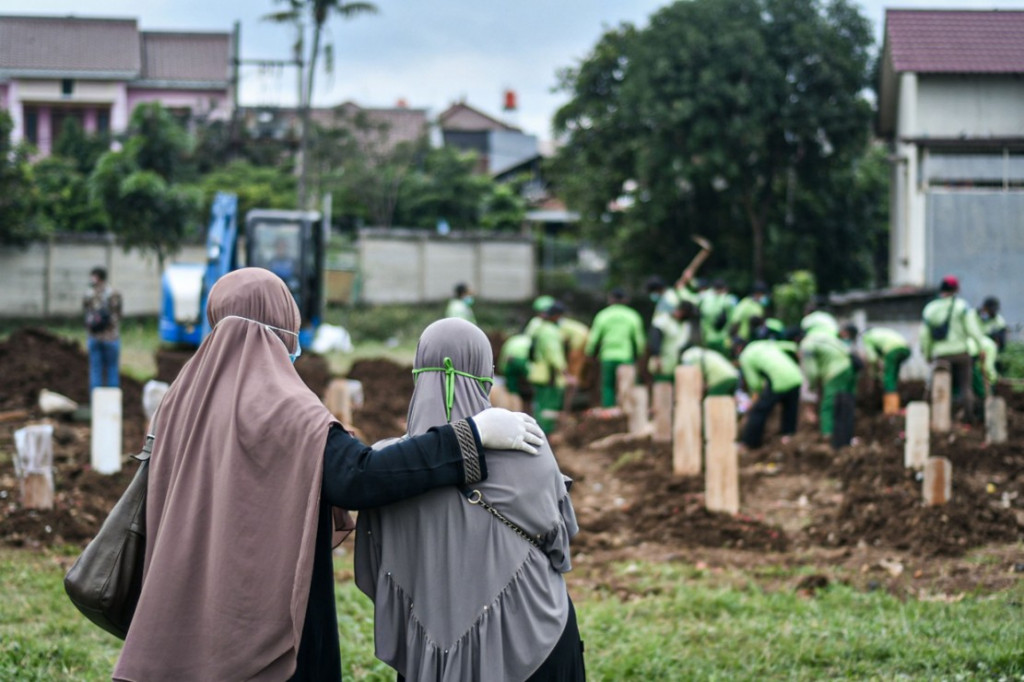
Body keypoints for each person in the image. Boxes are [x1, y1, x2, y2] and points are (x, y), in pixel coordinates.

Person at [112, 268, 543, 682]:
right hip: (256, 601)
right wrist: (467, 436)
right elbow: (357, 476)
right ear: (281, 327)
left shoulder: (181, 400)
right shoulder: (284, 406)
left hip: (186, 591)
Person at [355, 318, 585, 682]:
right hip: (532, 640)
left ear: (418, 373)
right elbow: (559, 543)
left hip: (427, 658)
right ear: (485, 376)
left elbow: (373, 562)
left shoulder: (386, 467)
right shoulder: (526, 444)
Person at [920, 275, 988, 423]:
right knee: (965, 388)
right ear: (956, 289)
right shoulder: (962, 306)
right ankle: (968, 420)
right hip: (961, 354)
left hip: (941, 355)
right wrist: (981, 347)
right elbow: (973, 329)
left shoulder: (930, 309)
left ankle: (939, 420)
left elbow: (925, 335)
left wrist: (927, 354)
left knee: (939, 387)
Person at [737, 339, 804, 450]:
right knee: (790, 408)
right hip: (796, 376)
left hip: (779, 381)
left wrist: (758, 394)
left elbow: (754, 383)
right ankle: (788, 435)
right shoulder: (764, 344)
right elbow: (790, 346)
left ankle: (749, 442)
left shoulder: (745, 356)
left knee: (758, 412)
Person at [584, 288, 646, 407]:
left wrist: (590, 354)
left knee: (608, 386)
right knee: (626, 385)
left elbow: (594, 338)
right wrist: (640, 354)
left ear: (611, 299)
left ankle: (609, 410)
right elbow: (639, 339)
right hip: (625, 356)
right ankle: (625, 410)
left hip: (608, 356)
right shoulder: (632, 315)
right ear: (625, 300)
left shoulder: (603, 315)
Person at [798, 326, 856, 440]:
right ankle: (845, 434)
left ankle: (827, 434)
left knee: (828, 405)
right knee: (845, 403)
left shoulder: (806, 345)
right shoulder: (823, 338)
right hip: (849, 368)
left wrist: (812, 386)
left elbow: (812, 372)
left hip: (834, 372)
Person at [528, 301, 571, 433]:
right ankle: (545, 432)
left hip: (539, 372)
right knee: (548, 405)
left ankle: (539, 430)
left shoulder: (541, 328)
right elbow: (554, 354)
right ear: (556, 316)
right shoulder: (550, 332)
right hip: (549, 376)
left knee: (540, 404)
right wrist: (564, 371)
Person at [83, 266, 122, 395]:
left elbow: (85, 314)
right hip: (111, 337)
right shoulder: (114, 293)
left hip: (94, 337)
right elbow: (118, 314)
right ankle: (112, 403)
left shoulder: (88, 294)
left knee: (95, 370)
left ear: (95, 277)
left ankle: (96, 403)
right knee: (112, 369)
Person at [860, 326, 911, 414]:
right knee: (893, 376)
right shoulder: (880, 332)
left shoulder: (867, 337)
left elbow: (873, 358)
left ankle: (890, 410)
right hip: (905, 349)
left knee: (888, 378)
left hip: (892, 350)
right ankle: (896, 406)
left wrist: (875, 373)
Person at [648, 300, 698, 383]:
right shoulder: (662, 321)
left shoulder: (685, 325)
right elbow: (654, 340)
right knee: (661, 390)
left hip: (676, 367)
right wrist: (656, 357)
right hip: (661, 366)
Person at [698, 278, 736, 355]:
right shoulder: (728, 300)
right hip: (723, 339)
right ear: (725, 288)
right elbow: (734, 322)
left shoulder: (705, 298)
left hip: (708, 339)